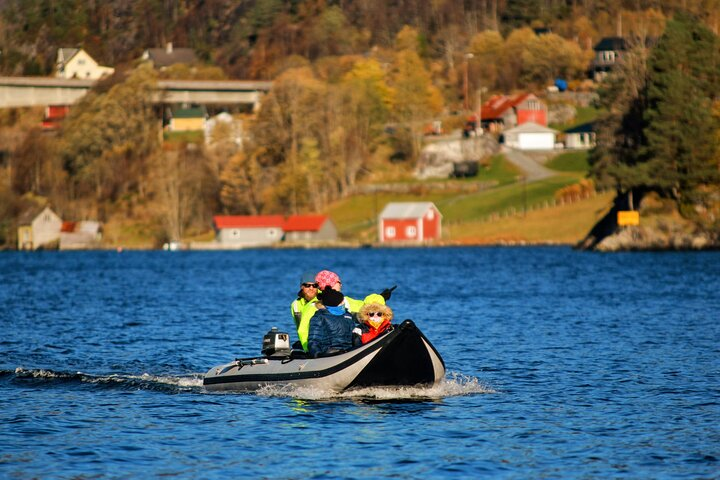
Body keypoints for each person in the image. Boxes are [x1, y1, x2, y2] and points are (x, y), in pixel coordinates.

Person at [296, 270, 394, 351]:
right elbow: (304, 332)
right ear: (332, 283)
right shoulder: (315, 306)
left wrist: (381, 298)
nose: (341, 285)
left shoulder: (312, 305)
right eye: (339, 282)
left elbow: (367, 308)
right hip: (324, 354)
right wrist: (311, 354)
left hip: (343, 351)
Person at [306, 287, 360, 357]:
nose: (344, 303)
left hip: (348, 352)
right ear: (336, 303)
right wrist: (318, 354)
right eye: (342, 301)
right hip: (328, 354)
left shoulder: (348, 316)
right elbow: (313, 341)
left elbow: (354, 337)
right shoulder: (319, 317)